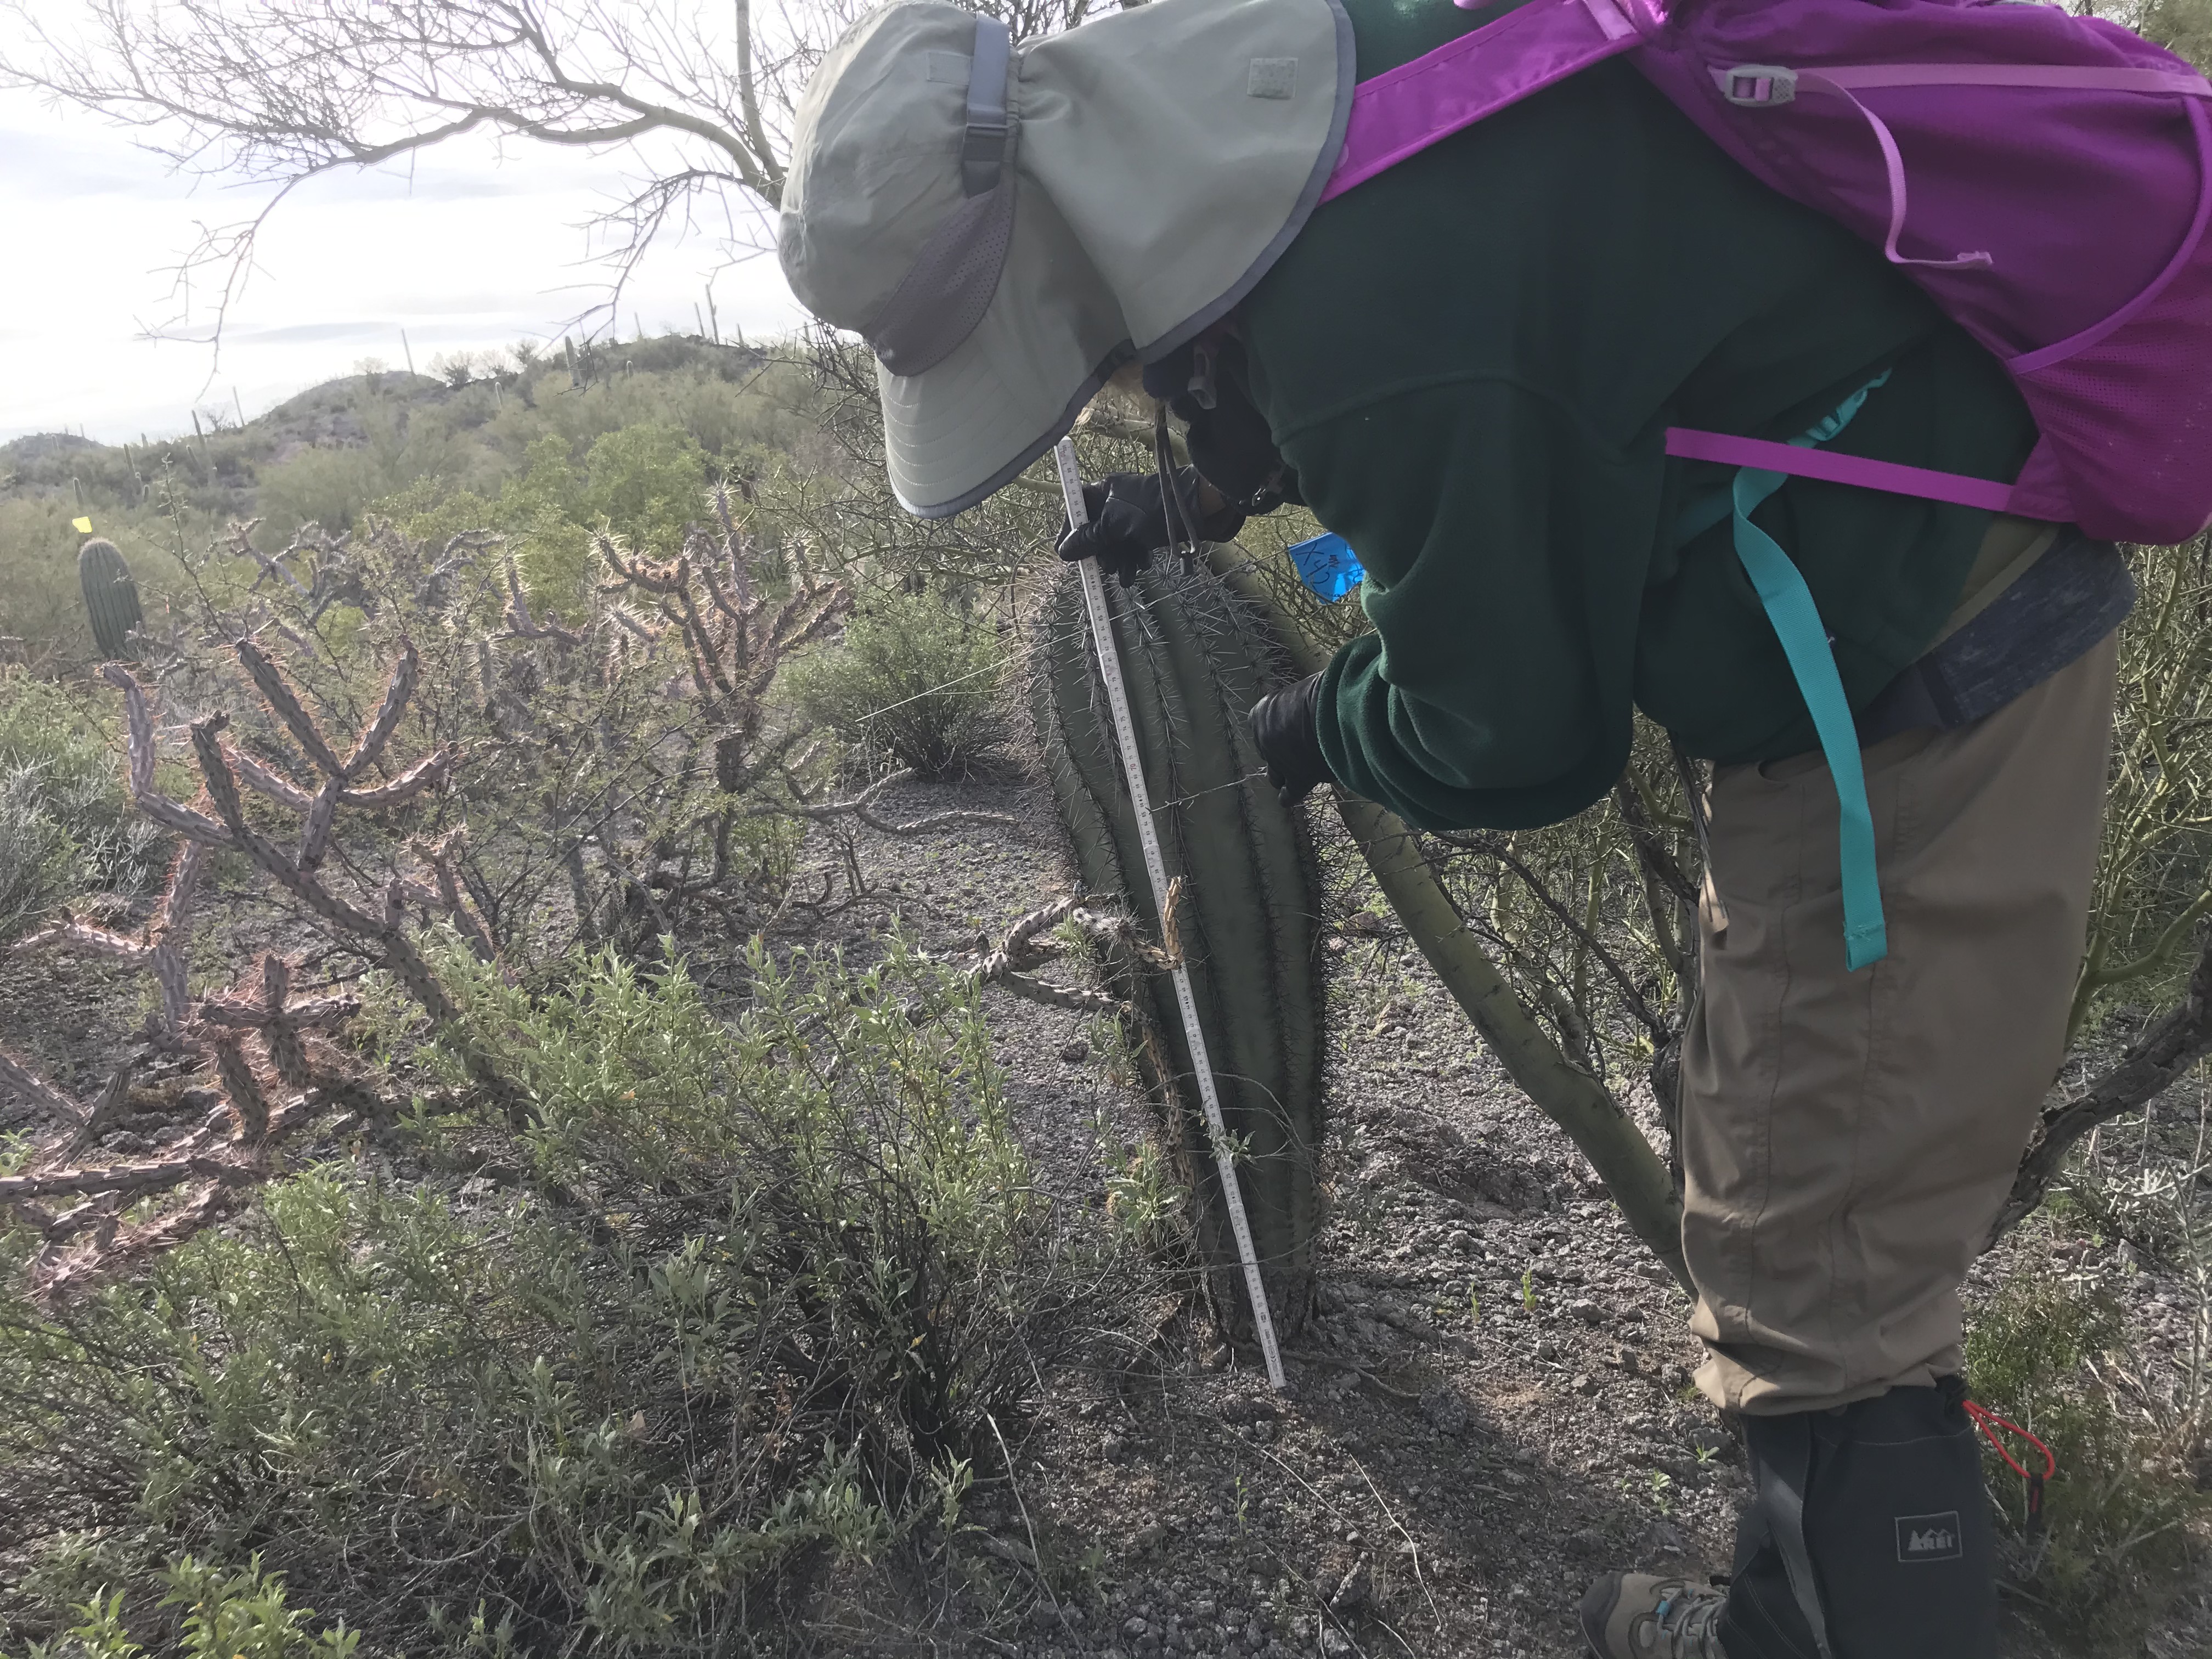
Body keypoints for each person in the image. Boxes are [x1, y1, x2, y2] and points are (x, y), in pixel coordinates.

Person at [775, 0, 2132, 1652]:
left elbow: (1513, 736)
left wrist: (1320, 723)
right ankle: (1780, 1622)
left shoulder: (1381, 323)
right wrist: (1225, 481)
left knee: (1823, 1266)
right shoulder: (1316, 64)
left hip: (1920, 679)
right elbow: (1528, 282)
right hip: (1873, 621)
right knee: (1787, 1187)